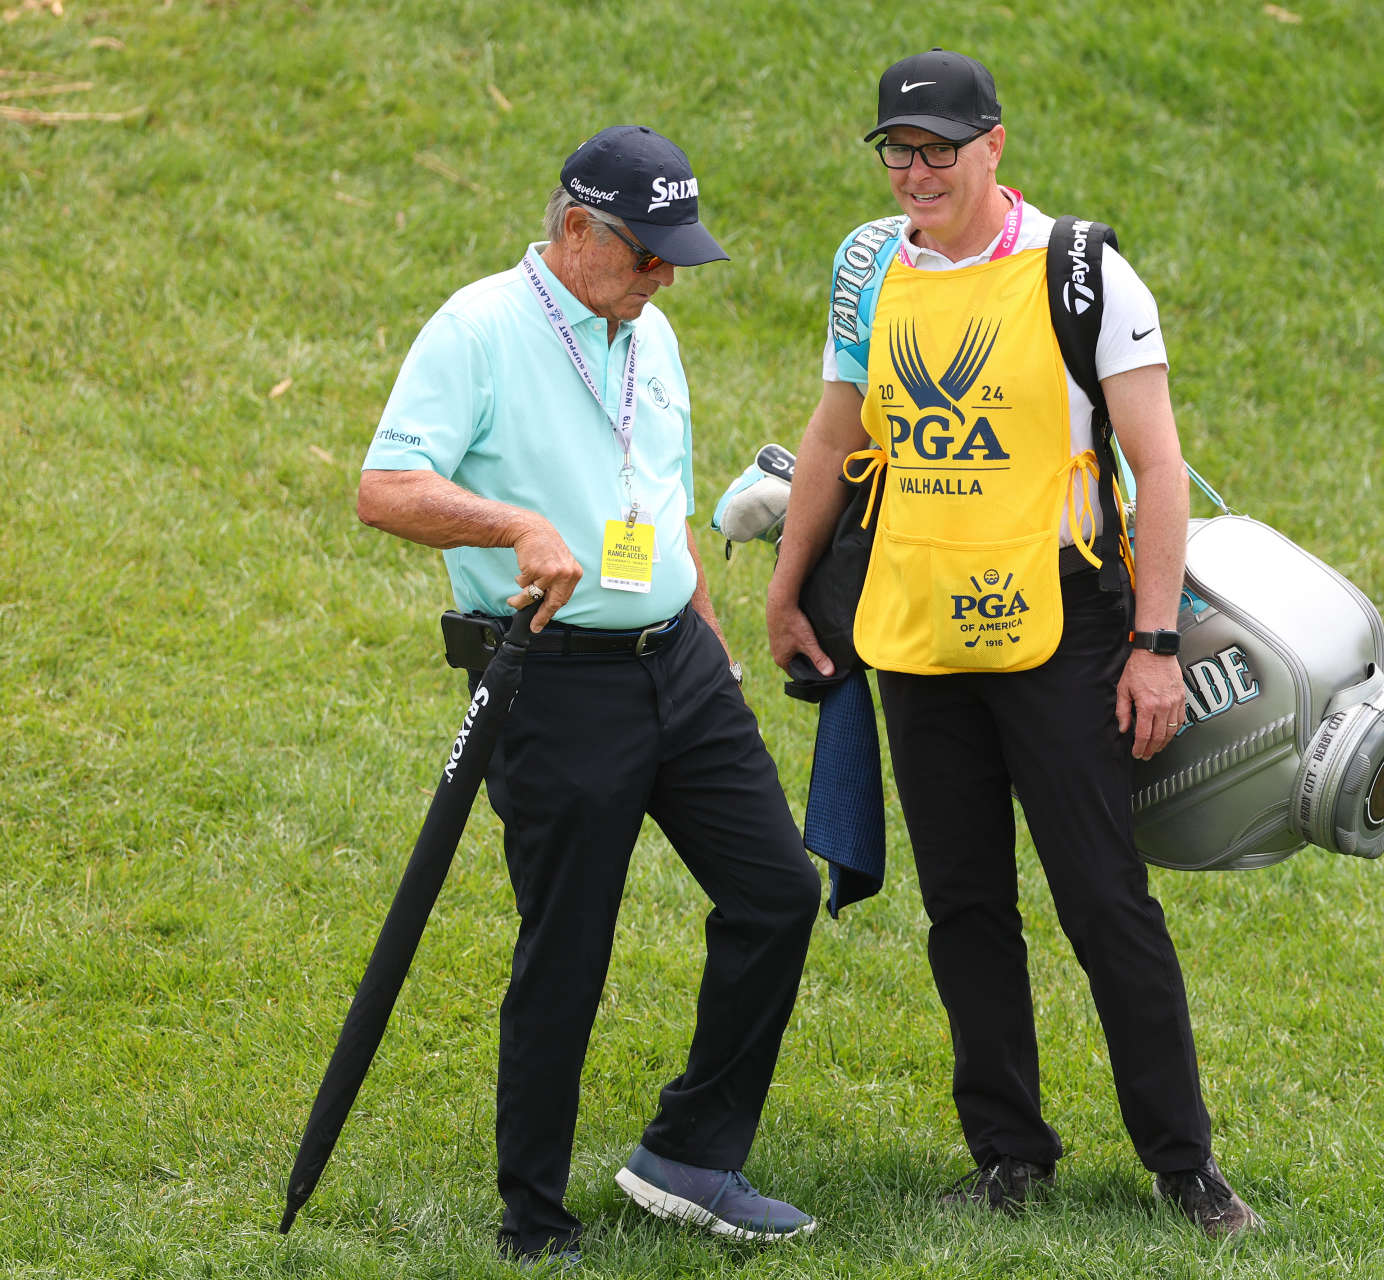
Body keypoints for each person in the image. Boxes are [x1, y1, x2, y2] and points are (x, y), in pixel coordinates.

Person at [765, 51, 1264, 1236]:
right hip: (919, 634)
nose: (917, 171)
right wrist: (788, 589)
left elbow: (1156, 469)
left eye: (940, 148)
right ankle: (1009, 1153)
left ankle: (1183, 1163)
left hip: (1063, 631)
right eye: (898, 149)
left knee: (1105, 899)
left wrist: (1153, 641)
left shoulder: (1083, 271)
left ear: (995, 144)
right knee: (966, 907)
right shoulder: (870, 265)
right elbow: (839, 431)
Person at [358, 125, 820, 1262]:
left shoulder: (647, 328)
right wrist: (512, 523)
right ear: (577, 232)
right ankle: (536, 1214)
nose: (666, 277)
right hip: (555, 681)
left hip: (679, 663)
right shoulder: (477, 329)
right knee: (568, 944)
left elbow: (652, 496)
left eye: (675, 257)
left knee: (775, 890)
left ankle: (691, 1154)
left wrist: (704, 634)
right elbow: (384, 487)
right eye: (649, 254)